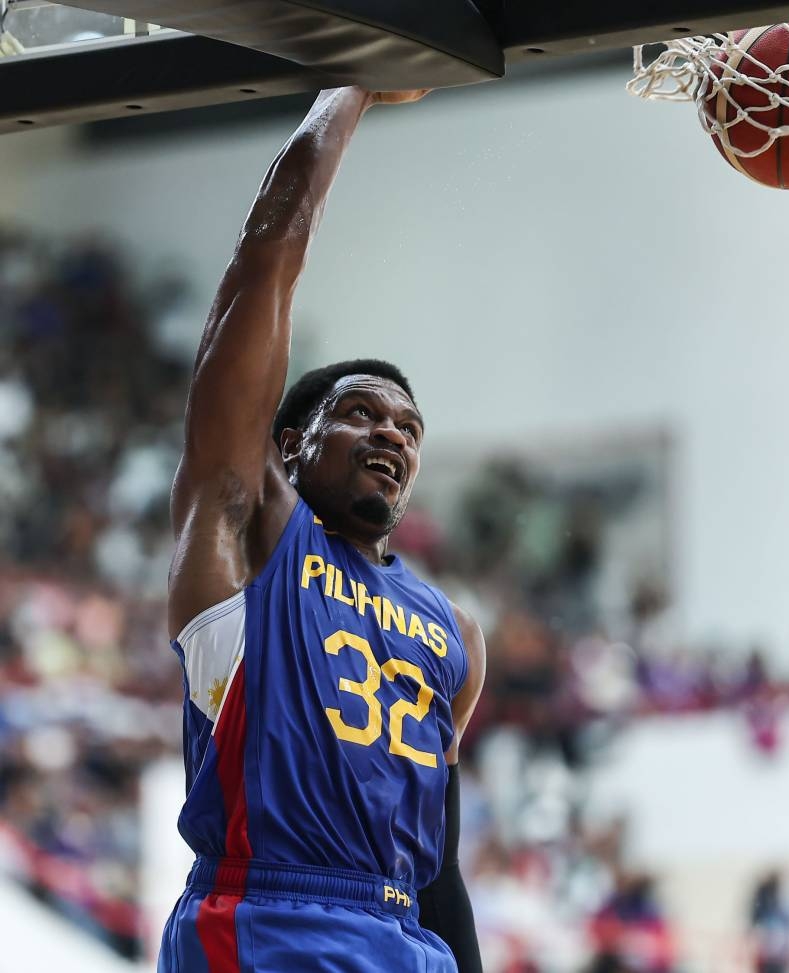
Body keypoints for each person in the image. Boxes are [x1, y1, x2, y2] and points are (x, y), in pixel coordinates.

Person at [159, 86, 486, 973]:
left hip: (409, 939)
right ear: (291, 446)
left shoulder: (452, 630)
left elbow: (440, 862)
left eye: (410, 428)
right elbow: (261, 266)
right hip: (272, 918)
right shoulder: (252, 530)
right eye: (362, 413)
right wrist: (353, 88)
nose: (393, 432)